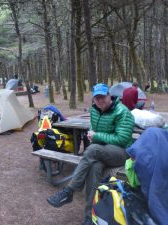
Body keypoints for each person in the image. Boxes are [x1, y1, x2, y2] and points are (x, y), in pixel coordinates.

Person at [46, 83, 135, 225]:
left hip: (121, 152)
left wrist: (97, 136)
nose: (99, 101)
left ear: (109, 96)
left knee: (93, 150)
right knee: (93, 168)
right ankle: (89, 217)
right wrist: (91, 134)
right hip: (101, 153)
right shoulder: (95, 110)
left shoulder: (122, 112)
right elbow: (93, 127)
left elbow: (122, 139)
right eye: (96, 98)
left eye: (102, 97)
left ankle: (69, 190)